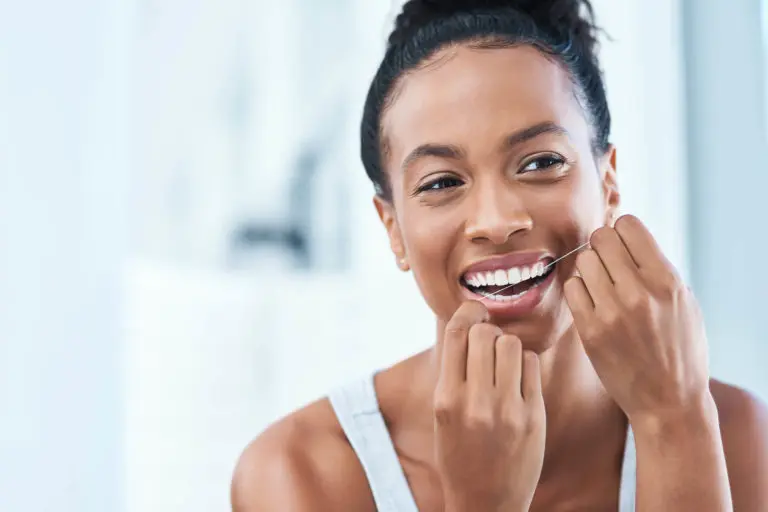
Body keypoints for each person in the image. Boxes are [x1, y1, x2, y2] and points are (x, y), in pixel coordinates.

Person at [231, 1, 768, 510]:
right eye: (442, 181)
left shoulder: (738, 438)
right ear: (392, 228)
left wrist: (672, 421)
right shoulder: (301, 475)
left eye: (539, 163)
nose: (496, 221)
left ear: (608, 185)